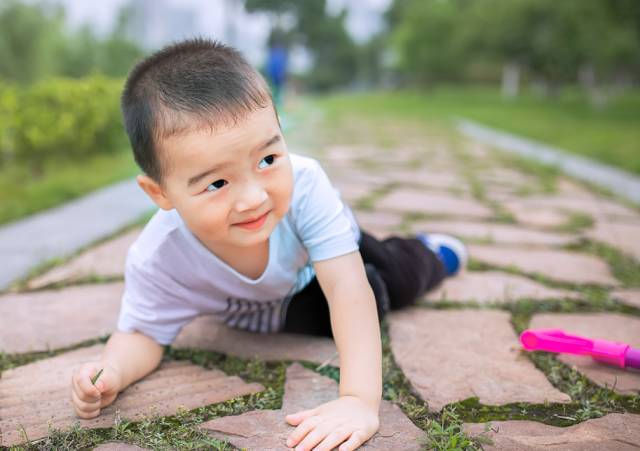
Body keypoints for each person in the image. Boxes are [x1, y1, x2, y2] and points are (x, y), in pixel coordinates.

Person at [69, 38, 467, 451]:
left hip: (329, 256)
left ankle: (430, 252)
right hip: (276, 302)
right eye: (217, 183)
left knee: (389, 281)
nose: (254, 198)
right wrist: (112, 369)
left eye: (267, 160)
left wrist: (358, 400)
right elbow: (143, 334)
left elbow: (347, 289)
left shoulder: (305, 188)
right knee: (338, 312)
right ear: (160, 194)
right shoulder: (158, 257)